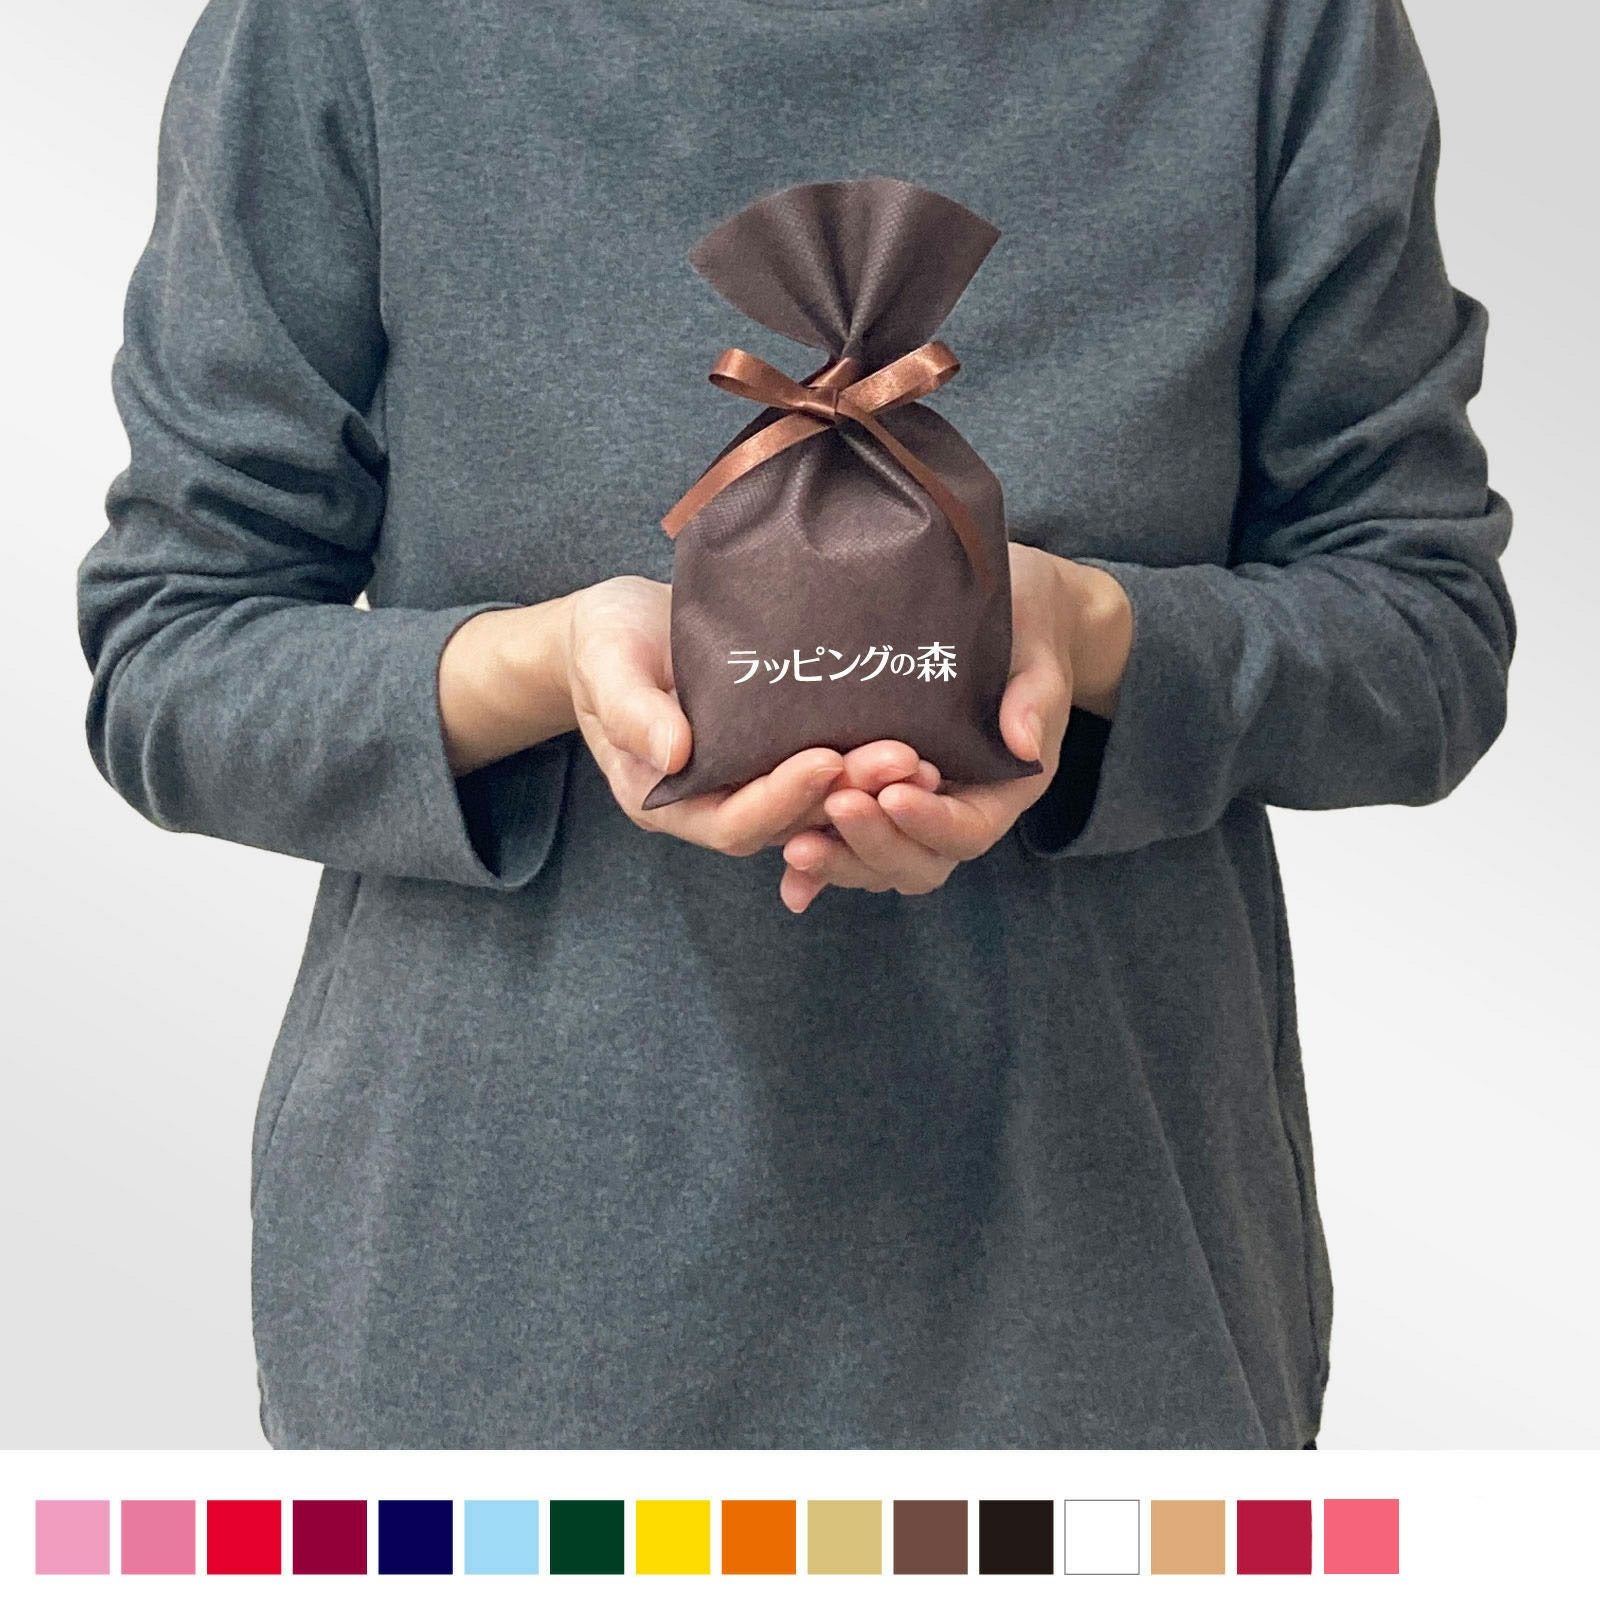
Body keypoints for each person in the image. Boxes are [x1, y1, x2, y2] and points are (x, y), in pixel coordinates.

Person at [77, 0, 1512, 1449]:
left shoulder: (1270, 30)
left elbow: (1425, 636)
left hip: (1105, 1327)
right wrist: (545, 669)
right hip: (496, 1336)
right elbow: (174, 652)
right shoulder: (349, 29)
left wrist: (1094, 640)